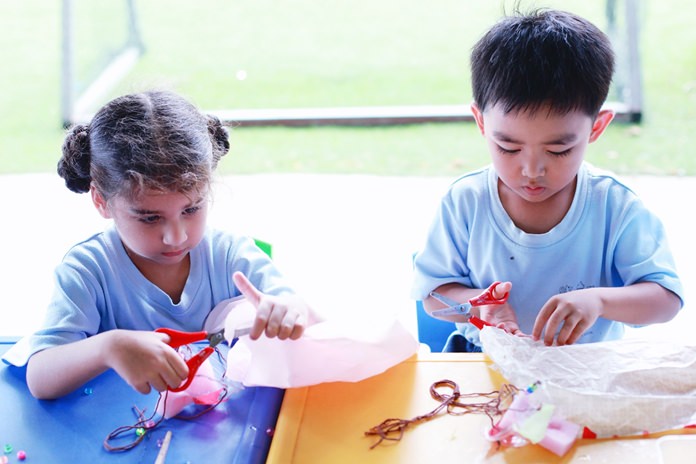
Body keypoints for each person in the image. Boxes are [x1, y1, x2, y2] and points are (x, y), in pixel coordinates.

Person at [3, 90, 317, 398]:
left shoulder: (233, 257)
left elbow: (306, 318)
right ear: (100, 200)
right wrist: (108, 347)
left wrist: (290, 311)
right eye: (150, 217)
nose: (176, 237)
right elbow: (40, 379)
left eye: (191, 209)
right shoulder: (88, 271)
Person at [412, 9, 683, 352]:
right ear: (481, 122)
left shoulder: (614, 206)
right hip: (486, 363)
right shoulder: (465, 202)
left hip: (584, 369)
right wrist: (479, 305)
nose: (531, 170)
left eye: (558, 150)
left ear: (597, 127)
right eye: (508, 147)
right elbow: (433, 296)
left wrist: (599, 301)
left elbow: (665, 299)